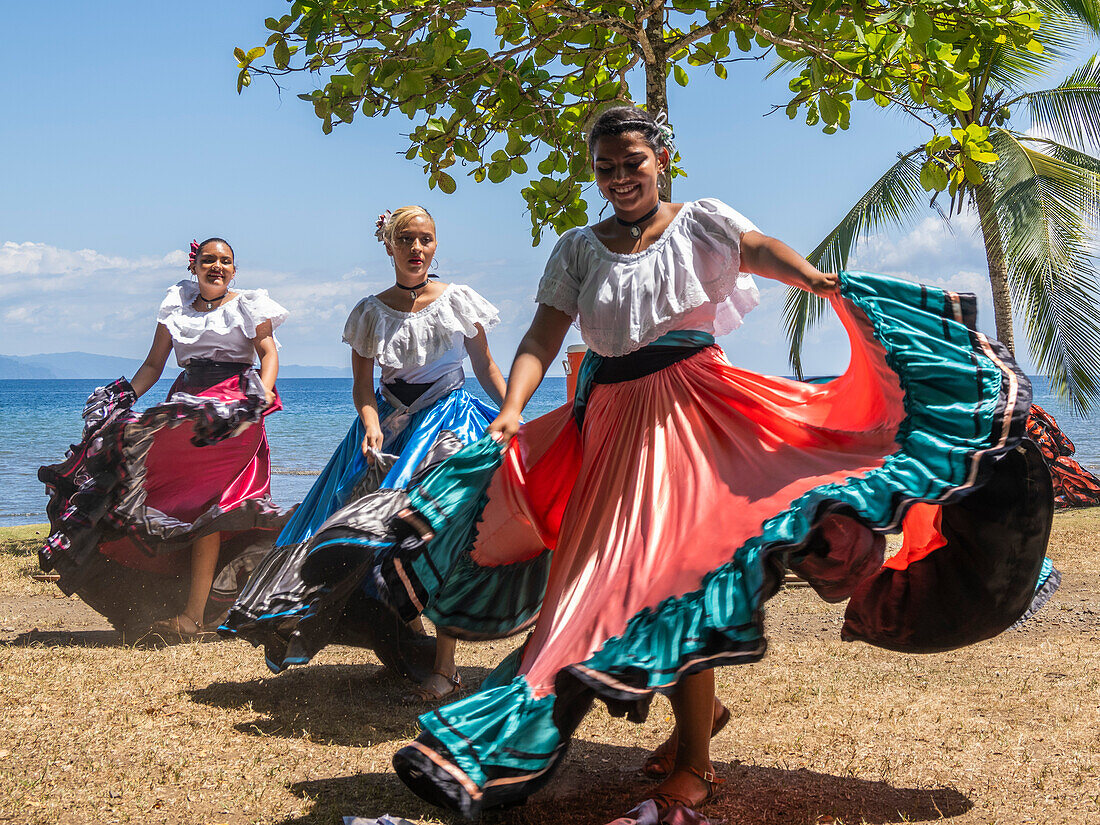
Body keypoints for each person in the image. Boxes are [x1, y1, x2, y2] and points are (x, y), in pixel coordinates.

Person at [384, 105, 1053, 821]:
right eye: (604, 167)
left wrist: (815, 281)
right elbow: (541, 338)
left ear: (661, 159)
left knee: (679, 581)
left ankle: (697, 764)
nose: (618, 178)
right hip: (610, 429)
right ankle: (694, 717)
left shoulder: (701, 220)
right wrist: (514, 407)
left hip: (697, 418)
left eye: (631, 163)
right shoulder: (578, 248)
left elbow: (758, 248)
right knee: (608, 590)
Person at [221, 205, 508, 701]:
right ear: (390, 246)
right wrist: (372, 424)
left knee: (445, 533)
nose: (418, 249)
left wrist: (512, 412)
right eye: (408, 240)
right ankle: (405, 650)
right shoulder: (370, 312)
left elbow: (485, 367)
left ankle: (445, 664)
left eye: (426, 239)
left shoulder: (460, 301)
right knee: (363, 541)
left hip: (452, 421)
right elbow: (363, 388)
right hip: (388, 431)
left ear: (435, 245)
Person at [39, 237, 289, 638]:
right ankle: (168, 602)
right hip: (185, 411)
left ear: (234, 269)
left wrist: (259, 396)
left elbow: (268, 355)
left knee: (215, 509)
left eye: (225, 261)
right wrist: (121, 398)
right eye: (209, 260)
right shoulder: (176, 304)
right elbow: (155, 363)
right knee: (143, 493)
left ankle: (193, 616)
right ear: (195, 266)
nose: (217, 267)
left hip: (233, 413)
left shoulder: (250, 305)